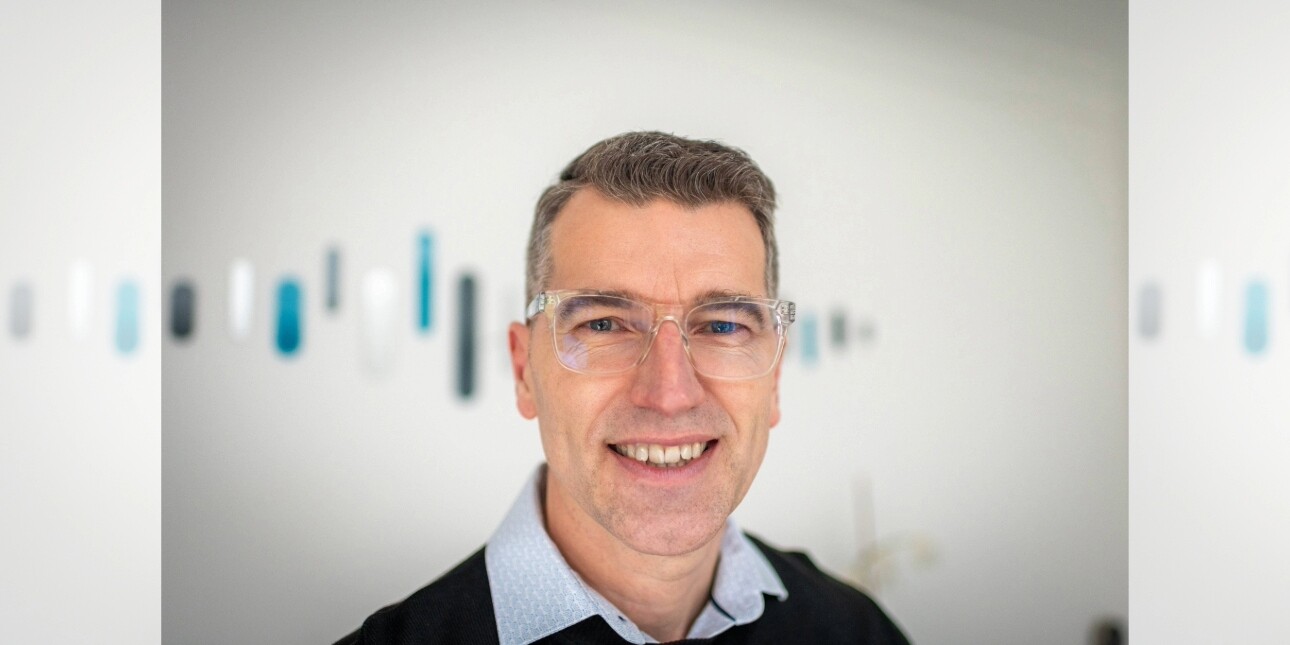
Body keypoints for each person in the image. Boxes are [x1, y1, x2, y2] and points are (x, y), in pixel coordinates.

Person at [335, 132, 910, 644]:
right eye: (604, 324)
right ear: (523, 370)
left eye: (724, 326)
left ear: (775, 377)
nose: (670, 392)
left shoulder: (857, 630)